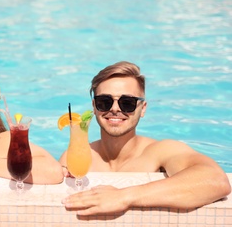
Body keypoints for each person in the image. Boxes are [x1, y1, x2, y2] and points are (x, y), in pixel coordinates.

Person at [60, 61, 231, 215]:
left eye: (127, 102)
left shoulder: (161, 151)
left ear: (143, 109)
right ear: (94, 107)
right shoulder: (74, 157)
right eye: (104, 101)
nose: (114, 109)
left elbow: (215, 181)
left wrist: (124, 197)